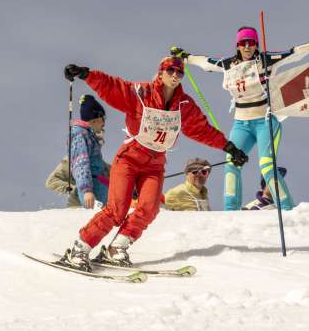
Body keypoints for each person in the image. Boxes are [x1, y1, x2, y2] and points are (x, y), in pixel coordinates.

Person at [59, 57, 248, 271]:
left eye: (179, 72)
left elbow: (201, 129)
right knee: (117, 210)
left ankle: (117, 248)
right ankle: (80, 249)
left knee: (149, 208)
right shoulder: (141, 93)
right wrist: (87, 74)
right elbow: (113, 87)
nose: (175, 75)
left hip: (154, 165)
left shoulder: (184, 105)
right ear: (160, 73)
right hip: (129, 159)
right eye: (171, 70)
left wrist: (230, 148)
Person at [170, 26, 309, 211]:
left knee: (267, 166)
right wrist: (184, 57)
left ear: (256, 44)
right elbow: (205, 63)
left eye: (251, 43)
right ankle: (230, 211)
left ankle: (287, 208)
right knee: (231, 161)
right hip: (242, 123)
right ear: (238, 45)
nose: (247, 47)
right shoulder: (229, 65)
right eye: (243, 43)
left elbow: (295, 53)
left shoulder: (265, 60)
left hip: (265, 121)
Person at [45, 94, 110, 208]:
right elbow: (81, 164)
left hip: (99, 192)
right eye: (103, 118)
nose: (104, 122)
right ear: (95, 119)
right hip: (91, 197)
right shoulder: (80, 135)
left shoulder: (89, 136)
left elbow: (100, 166)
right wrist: (86, 190)